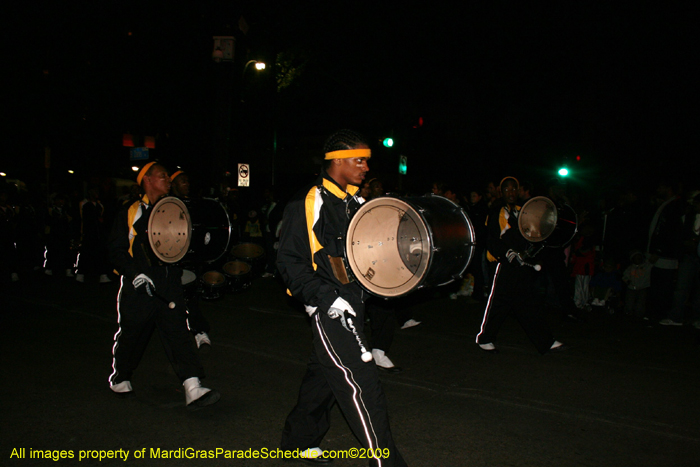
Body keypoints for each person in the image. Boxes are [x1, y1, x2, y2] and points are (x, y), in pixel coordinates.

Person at [276, 129, 407, 466]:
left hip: (354, 301)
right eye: (358, 160)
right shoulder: (308, 203)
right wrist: (326, 298)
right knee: (361, 383)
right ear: (336, 162)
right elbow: (290, 261)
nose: (365, 168)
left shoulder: (356, 204)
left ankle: (298, 441)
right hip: (331, 307)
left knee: (324, 375)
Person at [107, 162, 219, 409]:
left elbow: (182, 245)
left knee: (178, 332)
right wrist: (134, 273)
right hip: (140, 285)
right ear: (147, 180)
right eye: (162, 176)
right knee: (132, 334)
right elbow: (115, 249)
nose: (168, 180)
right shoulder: (132, 210)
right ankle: (121, 376)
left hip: (168, 282)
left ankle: (192, 386)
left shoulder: (175, 209)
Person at [475, 176, 564, 354]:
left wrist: (531, 252)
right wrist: (508, 252)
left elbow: (532, 234)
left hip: (520, 264)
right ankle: (484, 338)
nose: (511, 193)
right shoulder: (497, 211)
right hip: (503, 264)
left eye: (514, 189)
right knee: (499, 301)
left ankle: (545, 341)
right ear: (502, 192)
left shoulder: (522, 211)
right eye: (507, 189)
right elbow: (494, 238)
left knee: (526, 303)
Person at [170, 169, 212, 350]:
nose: (187, 185)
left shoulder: (194, 203)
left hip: (191, 258)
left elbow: (199, 225)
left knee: (190, 296)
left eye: (188, 181)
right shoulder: (168, 204)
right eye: (182, 182)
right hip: (173, 259)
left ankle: (198, 331)